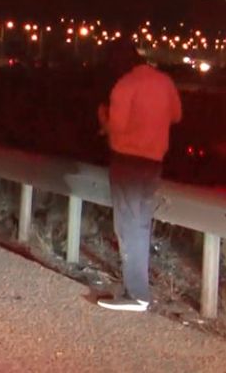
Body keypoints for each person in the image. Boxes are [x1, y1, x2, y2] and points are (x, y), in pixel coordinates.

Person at [96, 41, 182, 312]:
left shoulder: (124, 86)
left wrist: (104, 120)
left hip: (127, 163)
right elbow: (177, 116)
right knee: (141, 225)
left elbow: (117, 129)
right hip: (154, 163)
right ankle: (138, 290)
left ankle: (136, 295)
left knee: (128, 227)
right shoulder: (164, 81)